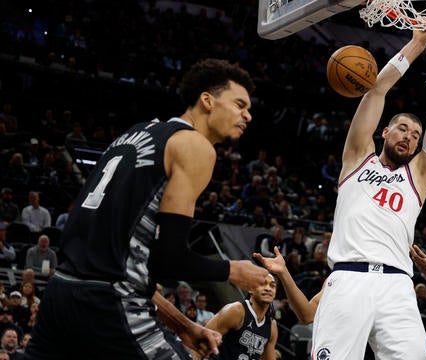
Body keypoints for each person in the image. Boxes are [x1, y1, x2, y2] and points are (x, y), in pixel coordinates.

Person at [25, 58, 269, 359]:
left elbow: (123, 263)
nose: (248, 115)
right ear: (207, 100)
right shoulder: (195, 146)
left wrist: (184, 326)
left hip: (60, 294)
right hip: (108, 303)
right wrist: (232, 270)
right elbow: (169, 259)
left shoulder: (135, 134)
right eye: (240, 104)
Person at [310, 17, 426, 360]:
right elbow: (376, 89)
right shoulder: (356, 158)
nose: (409, 137)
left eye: (414, 135)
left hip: (397, 285)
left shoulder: (421, 175)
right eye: (402, 129)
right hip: (349, 278)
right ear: (384, 132)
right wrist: (417, 44)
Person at [201, 274, 278, 360]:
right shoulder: (236, 311)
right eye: (262, 284)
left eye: (272, 286)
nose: (268, 288)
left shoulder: (272, 326)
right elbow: (200, 342)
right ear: (251, 289)